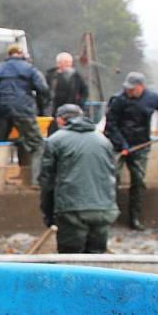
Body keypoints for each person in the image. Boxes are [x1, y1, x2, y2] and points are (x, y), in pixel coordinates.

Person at [39, 104, 119, 253]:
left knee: (71, 261)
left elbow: (47, 182)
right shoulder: (103, 140)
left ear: (61, 120)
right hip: (103, 210)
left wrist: (49, 215)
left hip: (71, 210)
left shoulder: (55, 140)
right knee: (97, 262)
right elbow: (113, 176)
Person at [104, 71, 158, 230]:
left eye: (132, 89)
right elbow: (111, 125)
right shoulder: (118, 100)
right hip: (119, 146)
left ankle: (135, 218)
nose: (129, 91)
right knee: (111, 180)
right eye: (127, 88)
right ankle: (108, 216)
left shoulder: (153, 99)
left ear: (141, 87)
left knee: (138, 182)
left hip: (141, 145)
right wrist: (123, 145)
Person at [0, 44, 49, 183]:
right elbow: (43, 89)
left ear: (8, 55)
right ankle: (36, 181)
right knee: (37, 144)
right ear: (21, 54)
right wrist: (41, 108)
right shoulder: (29, 68)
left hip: (2, 110)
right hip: (23, 110)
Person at [45, 51, 88, 135]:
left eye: (70, 62)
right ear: (59, 63)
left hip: (71, 110)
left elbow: (85, 91)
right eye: (66, 62)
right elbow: (44, 91)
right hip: (54, 110)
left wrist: (80, 104)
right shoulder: (50, 76)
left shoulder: (76, 76)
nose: (68, 64)